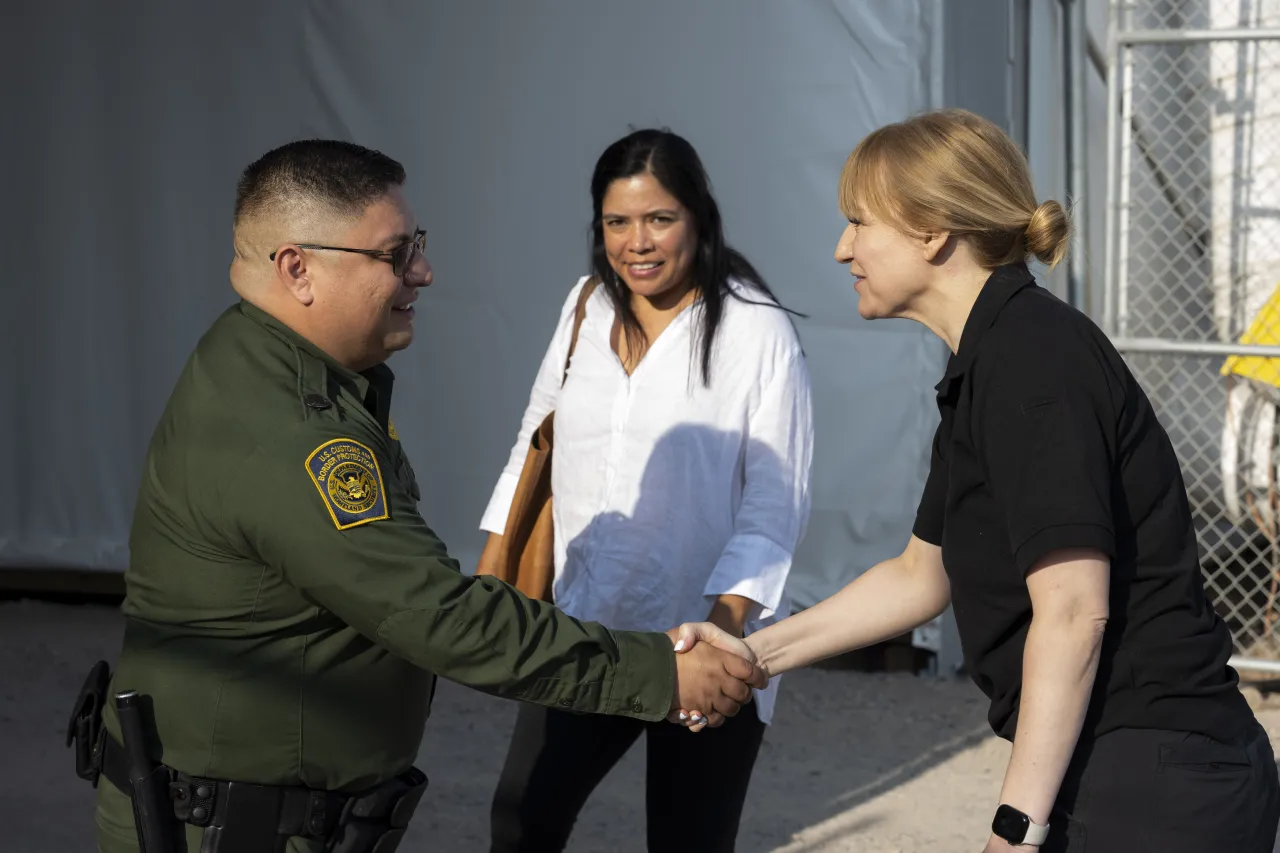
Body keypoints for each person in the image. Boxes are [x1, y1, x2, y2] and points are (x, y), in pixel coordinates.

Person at [79, 139, 765, 853]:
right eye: (395, 253)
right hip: (235, 829)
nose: (424, 271)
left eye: (419, 246)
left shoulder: (262, 361)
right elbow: (436, 615)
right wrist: (662, 673)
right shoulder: (292, 430)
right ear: (297, 268)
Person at [672, 108, 1280, 852]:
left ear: (933, 231)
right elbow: (918, 576)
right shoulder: (989, 361)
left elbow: (1073, 612)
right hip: (1129, 765)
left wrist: (1014, 830)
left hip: (1158, 779)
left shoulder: (1033, 361)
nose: (842, 248)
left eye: (859, 222)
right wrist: (751, 651)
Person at [476, 128, 813, 853]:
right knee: (521, 820)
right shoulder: (586, 306)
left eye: (660, 218)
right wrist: (492, 566)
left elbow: (775, 501)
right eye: (618, 222)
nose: (639, 242)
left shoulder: (756, 329)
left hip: (698, 641)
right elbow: (535, 437)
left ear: (698, 216)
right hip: (584, 629)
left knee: (688, 841)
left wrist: (722, 629)